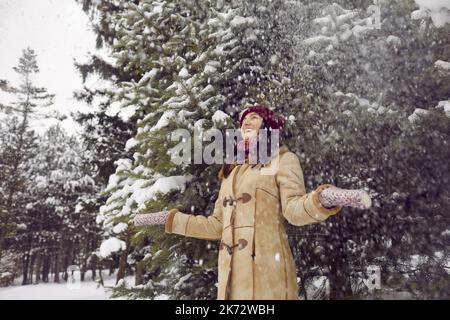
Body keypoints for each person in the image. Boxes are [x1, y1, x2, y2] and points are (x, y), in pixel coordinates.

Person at [134, 104, 371, 300]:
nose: (246, 122)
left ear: (267, 127)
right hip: (232, 278)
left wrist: (324, 199)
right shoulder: (230, 171)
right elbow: (217, 225)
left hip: (267, 273)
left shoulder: (282, 159)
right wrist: (171, 219)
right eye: (243, 120)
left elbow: (293, 209)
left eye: (254, 117)